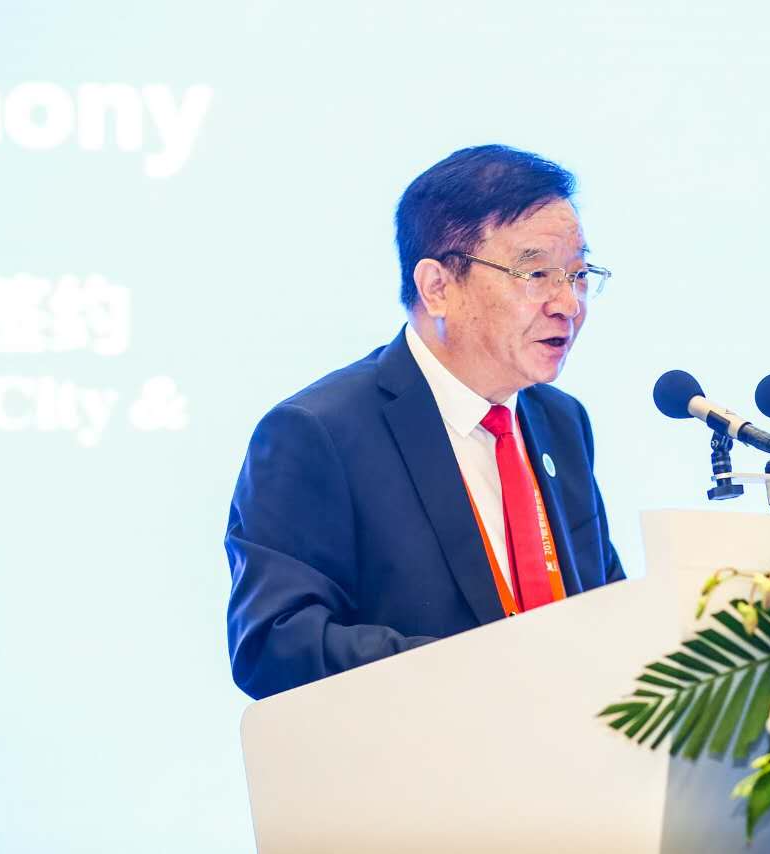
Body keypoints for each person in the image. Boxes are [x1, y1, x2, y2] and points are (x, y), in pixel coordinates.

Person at [225, 145, 625, 700]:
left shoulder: (561, 422)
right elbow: (273, 644)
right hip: (419, 749)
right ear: (438, 287)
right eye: (536, 273)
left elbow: (601, 600)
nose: (568, 304)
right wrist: (480, 675)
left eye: (578, 274)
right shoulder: (318, 432)